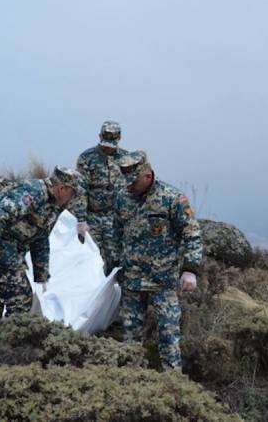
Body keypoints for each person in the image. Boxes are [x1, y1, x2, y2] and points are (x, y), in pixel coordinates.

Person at [110, 150, 202, 370]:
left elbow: (192, 233)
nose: (129, 186)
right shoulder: (123, 197)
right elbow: (116, 231)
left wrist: (190, 269)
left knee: (168, 335)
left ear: (147, 176)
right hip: (132, 280)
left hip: (163, 280)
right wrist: (113, 263)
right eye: (126, 181)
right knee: (130, 336)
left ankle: (173, 385)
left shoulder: (171, 198)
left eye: (133, 181)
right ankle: (131, 382)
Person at [0, 166, 81, 317]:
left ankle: (9, 333)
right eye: (72, 193)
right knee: (20, 296)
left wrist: (42, 275)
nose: (72, 198)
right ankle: (10, 336)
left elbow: (41, 238)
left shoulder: (53, 206)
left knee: (21, 295)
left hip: (9, 248)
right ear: (62, 188)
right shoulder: (33, 192)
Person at [71, 120, 128, 272]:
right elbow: (80, 189)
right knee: (91, 259)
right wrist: (81, 219)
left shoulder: (126, 159)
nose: (108, 148)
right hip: (92, 218)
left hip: (116, 219)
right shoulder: (87, 157)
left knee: (116, 259)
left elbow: (131, 189)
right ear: (99, 136)